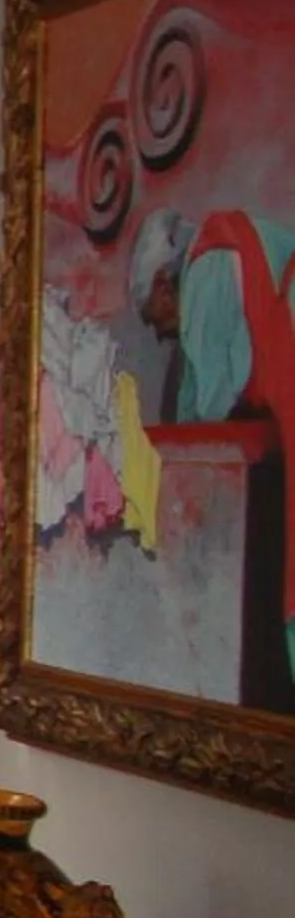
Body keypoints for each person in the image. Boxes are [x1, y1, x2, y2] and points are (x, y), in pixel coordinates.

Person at [131, 204, 295, 692]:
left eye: (151, 315)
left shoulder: (209, 264)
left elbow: (211, 404)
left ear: (164, 284)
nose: (158, 329)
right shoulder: (239, 242)